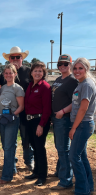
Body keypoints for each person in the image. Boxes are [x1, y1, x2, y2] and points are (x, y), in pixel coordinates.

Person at [0, 46, 34, 172]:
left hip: (26, 112)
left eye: (18, 57)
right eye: (12, 57)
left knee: (26, 138)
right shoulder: (4, 74)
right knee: (9, 139)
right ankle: (11, 161)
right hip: (9, 114)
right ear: (9, 59)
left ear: (22, 58)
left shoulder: (29, 71)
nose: (15, 59)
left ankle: (29, 161)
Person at [50, 54, 78, 190]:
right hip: (57, 118)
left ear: (70, 65)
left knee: (63, 149)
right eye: (60, 64)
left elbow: (76, 101)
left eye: (65, 64)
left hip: (64, 118)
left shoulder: (72, 81)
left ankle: (66, 180)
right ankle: (61, 171)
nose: (62, 66)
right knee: (60, 147)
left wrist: (62, 111)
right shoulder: (59, 78)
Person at [69, 58, 96, 195]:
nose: (77, 71)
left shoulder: (86, 85)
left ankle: (82, 190)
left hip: (83, 124)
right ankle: (88, 187)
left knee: (74, 156)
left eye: (80, 68)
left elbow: (83, 109)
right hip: (83, 124)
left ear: (86, 69)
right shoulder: (82, 84)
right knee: (82, 156)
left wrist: (73, 128)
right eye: (75, 68)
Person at [24, 61, 51, 186]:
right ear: (31, 72)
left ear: (43, 73)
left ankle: (42, 176)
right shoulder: (30, 86)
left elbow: (47, 108)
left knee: (40, 148)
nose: (37, 73)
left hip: (39, 121)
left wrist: (41, 125)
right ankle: (36, 171)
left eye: (40, 71)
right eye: (35, 70)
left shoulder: (45, 87)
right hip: (30, 121)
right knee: (34, 147)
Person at [0, 64, 24, 184]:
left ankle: (7, 176)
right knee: (6, 146)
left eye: (11, 73)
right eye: (6, 73)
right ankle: (12, 169)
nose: (8, 75)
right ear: (4, 75)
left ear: (15, 74)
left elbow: (21, 106)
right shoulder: (2, 88)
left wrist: (13, 116)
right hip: (2, 119)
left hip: (12, 120)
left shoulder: (17, 88)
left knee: (8, 147)